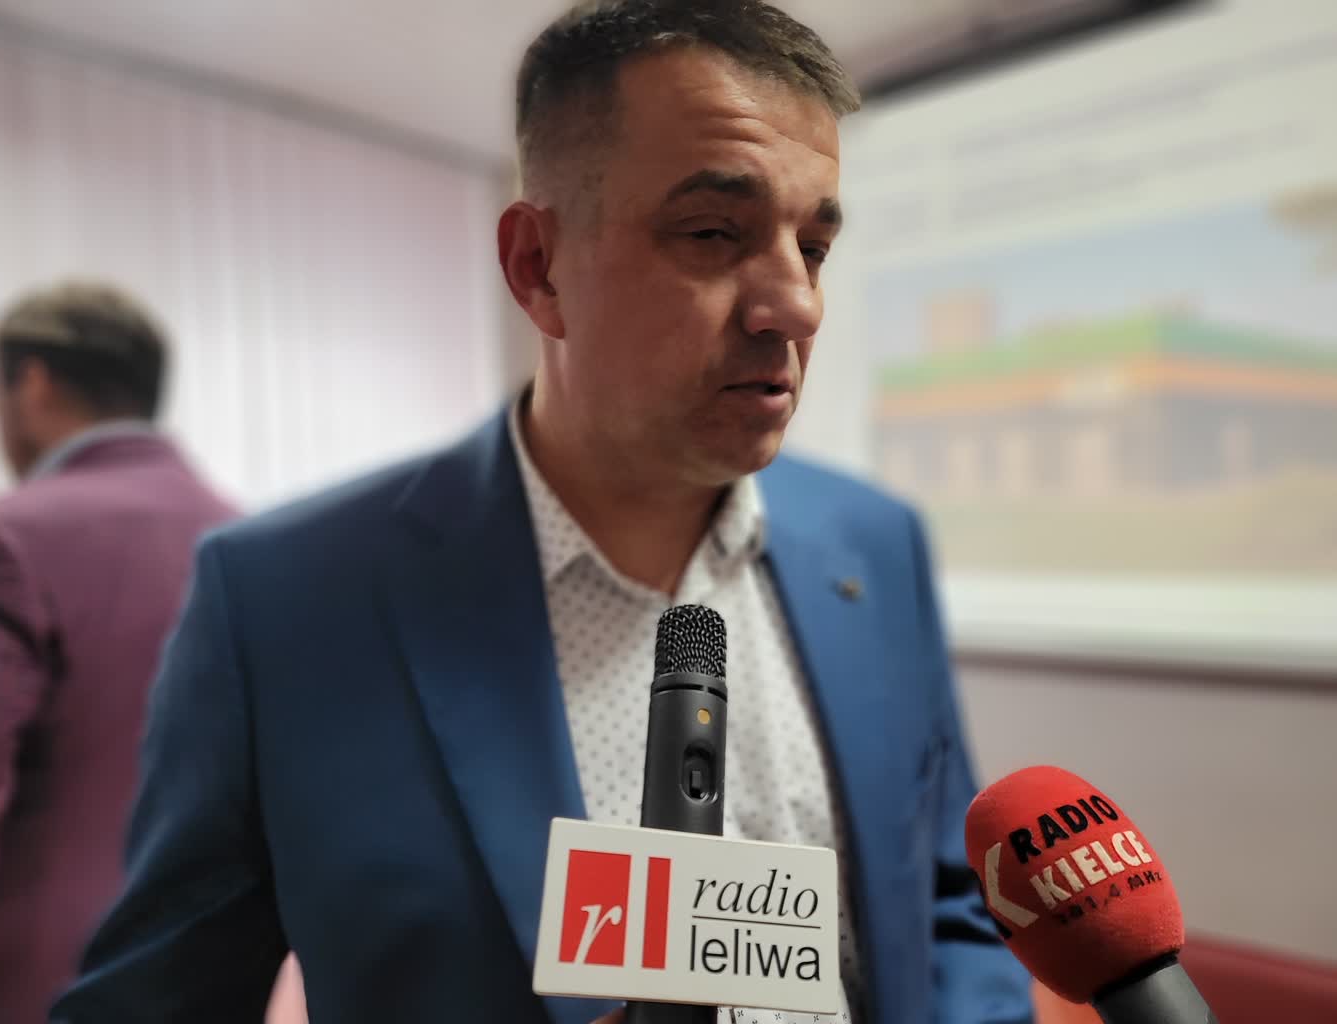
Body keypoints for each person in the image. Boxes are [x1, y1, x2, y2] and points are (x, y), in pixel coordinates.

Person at [51, 3, 1033, 1023]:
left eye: (815, 246)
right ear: (537, 267)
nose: (796, 305)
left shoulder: (874, 545)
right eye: (713, 233)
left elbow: (945, 908)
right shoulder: (283, 604)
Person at [0, 281, 235, 1024]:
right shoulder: (247, 537)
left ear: (33, 383)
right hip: (216, 978)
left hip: (35, 987)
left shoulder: (4, 539)